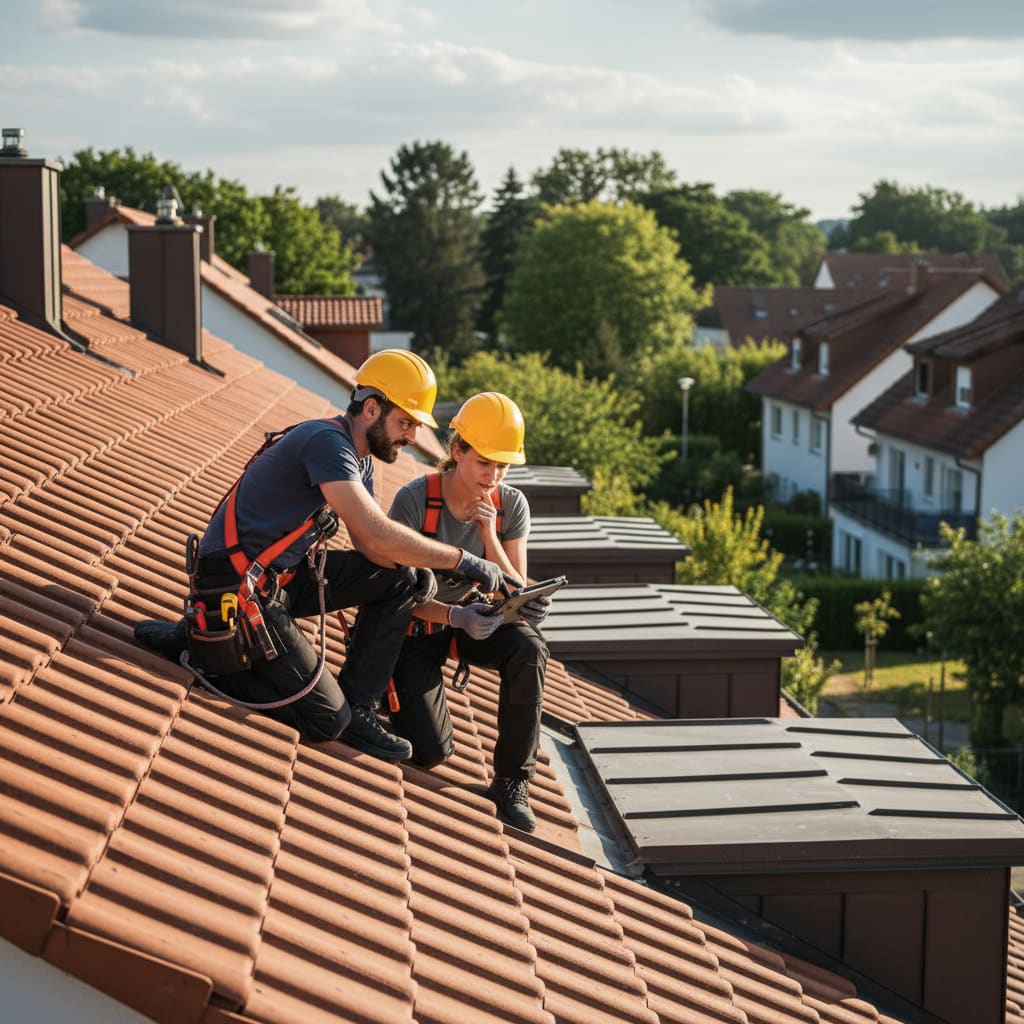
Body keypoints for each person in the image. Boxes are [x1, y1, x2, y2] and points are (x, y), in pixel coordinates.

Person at [134, 350, 514, 762]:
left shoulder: (361, 461)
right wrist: (461, 559)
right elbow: (376, 533)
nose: (411, 437)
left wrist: (417, 571)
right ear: (372, 408)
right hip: (234, 589)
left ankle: (360, 706)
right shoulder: (327, 444)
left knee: (400, 580)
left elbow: (369, 548)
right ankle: (207, 654)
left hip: (275, 581)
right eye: (405, 423)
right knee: (327, 721)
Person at [387, 392, 551, 831]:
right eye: (484, 463)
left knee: (529, 648)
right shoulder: (414, 502)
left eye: (502, 466)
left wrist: (488, 535)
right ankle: (391, 701)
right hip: (415, 627)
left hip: (472, 623)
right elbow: (391, 596)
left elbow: (514, 584)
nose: (493, 476)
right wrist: (453, 616)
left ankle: (513, 782)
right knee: (430, 751)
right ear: (457, 451)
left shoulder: (510, 505)